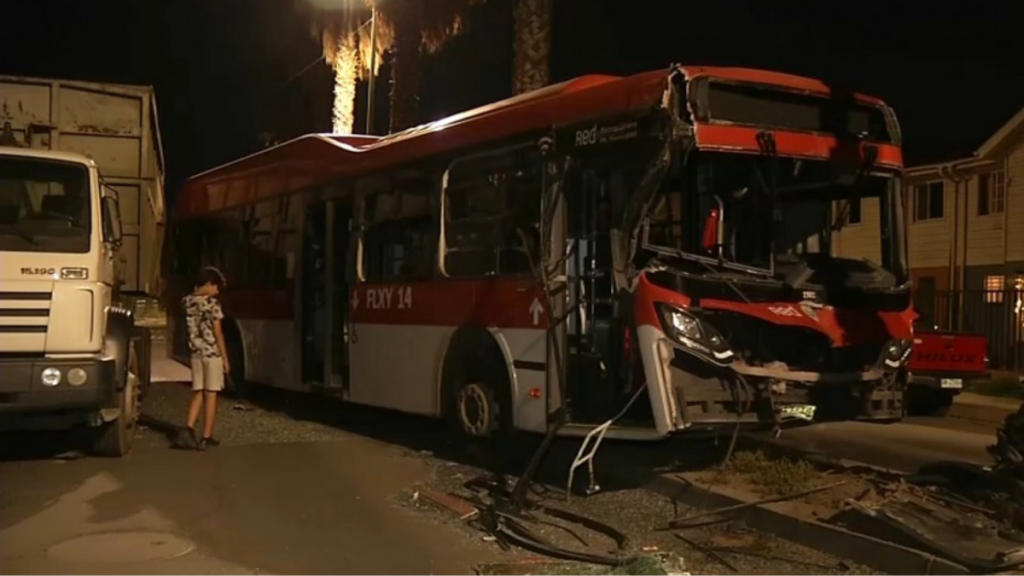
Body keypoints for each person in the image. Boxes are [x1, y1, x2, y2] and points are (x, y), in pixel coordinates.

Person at [182, 266, 230, 450]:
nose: (217, 291)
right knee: (211, 394)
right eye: (216, 287)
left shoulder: (187, 301)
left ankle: (188, 429)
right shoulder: (212, 304)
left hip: (196, 353)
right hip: (211, 354)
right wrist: (225, 358)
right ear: (209, 285)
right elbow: (218, 333)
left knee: (198, 392)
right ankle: (206, 436)